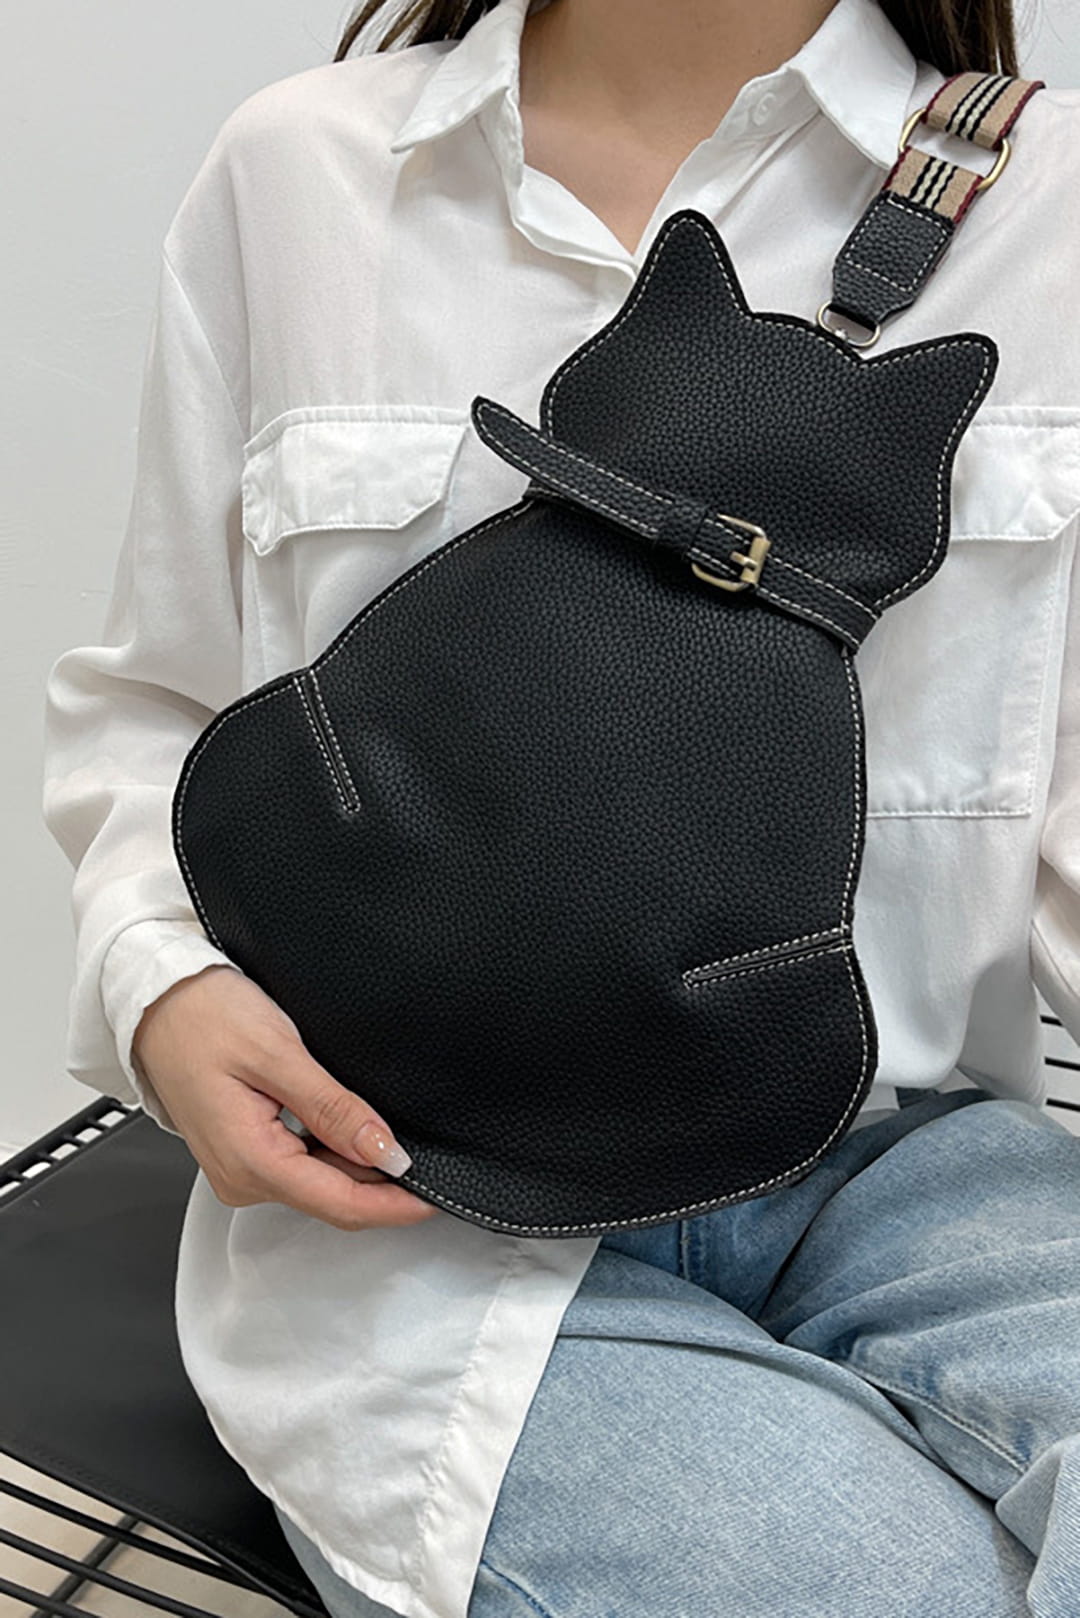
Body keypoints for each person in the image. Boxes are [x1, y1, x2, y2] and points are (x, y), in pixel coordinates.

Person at [40, 0, 1080, 1612]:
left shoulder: (1056, 207)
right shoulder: (306, 174)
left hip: (907, 1164)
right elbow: (156, 707)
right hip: (423, 1205)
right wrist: (162, 987)